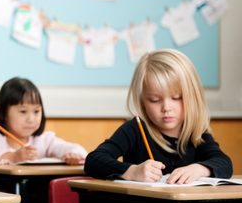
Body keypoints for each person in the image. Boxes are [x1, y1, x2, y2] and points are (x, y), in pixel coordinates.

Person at [85, 48, 232, 183]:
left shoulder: (196, 134)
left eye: (176, 97)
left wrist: (199, 169)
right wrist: (131, 171)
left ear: (192, 96)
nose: (166, 108)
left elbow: (224, 163)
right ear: (142, 101)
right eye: (154, 100)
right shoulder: (134, 129)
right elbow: (94, 160)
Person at [0, 77, 87, 165]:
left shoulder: (44, 140)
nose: (31, 119)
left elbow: (79, 150)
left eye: (36, 111)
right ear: (3, 113)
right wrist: (13, 156)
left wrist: (73, 155)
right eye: (23, 112)